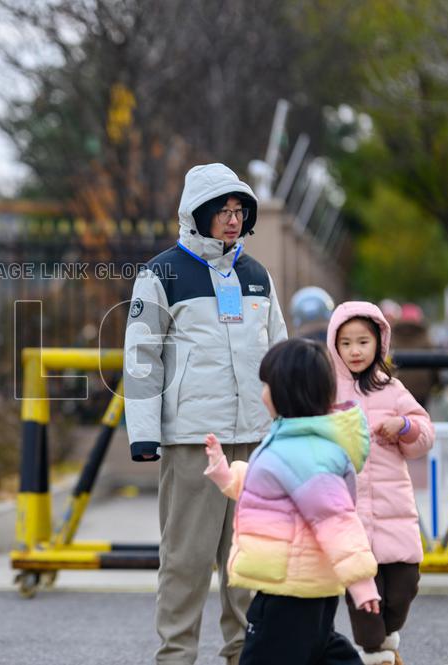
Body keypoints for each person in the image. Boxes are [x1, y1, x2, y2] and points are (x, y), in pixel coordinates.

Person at [123, 163, 288, 664]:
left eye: (240, 212)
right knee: (186, 563)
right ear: (197, 215)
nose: (233, 221)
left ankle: (245, 655)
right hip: (193, 442)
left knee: (248, 564)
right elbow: (141, 358)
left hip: (255, 443)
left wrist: (287, 425)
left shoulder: (257, 275)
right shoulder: (162, 273)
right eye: (223, 211)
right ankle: (176, 656)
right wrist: (144, 434)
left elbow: (279, 354)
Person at [204, 338, 380, 665]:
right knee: (320, 649)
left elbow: (336, 521)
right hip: (306, 587)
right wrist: (226, 476)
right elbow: (271, 490)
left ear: (287, 391)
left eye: (267, 385)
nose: (262, 393)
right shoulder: (295, 441)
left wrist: (361, 581)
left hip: (289, 592)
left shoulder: (303, 451)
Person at [327, 302, 435, 665]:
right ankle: (375, 652)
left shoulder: (392, 389)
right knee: (363, 596)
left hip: (395, 510)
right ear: (334, 346)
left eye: (362, 342)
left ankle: (386, 641)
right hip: (350, 515)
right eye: (345, 343)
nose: (355, 351)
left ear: (379, 344)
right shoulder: (328, 393)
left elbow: (425, 437)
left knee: (405, 585)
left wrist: (404, 427)